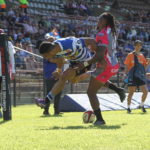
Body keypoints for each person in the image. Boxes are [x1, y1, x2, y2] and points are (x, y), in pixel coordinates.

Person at [36, 35, 125, 117]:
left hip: (84, 62)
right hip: (74, 62)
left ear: (50, 51)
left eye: (46, 56)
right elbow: (60, 60)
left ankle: (46, 100)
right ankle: (115, 87)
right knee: (73, 80)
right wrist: (58, 70)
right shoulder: (55, 51)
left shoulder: (69, 44)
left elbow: (90, 40)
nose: (47, 58)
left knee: (64, 77)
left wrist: (100, 56)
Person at [85, 12, 125, 125]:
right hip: (114, 65)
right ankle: (118, 90)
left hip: (105, 66)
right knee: (94, 77)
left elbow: (100, 54)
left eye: (100, 20)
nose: (98, 22)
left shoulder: (102, 33)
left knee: (91, 92)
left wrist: (85, 63)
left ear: (104, 22)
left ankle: (100, 119)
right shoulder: (111, 31)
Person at [124, 40, 150, 113]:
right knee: (131, 92)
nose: (138, 47)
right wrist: (125, 75)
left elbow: (143, 68)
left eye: (140, 45)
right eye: (137, 45)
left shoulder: (142, 56)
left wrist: (148, 63)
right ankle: (128, 108)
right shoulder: (130, 55)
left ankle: (141, 105)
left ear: (141, 46)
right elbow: (126, 66)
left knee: (145, 91)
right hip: (132, 76)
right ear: (134, 46)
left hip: (140, 76)